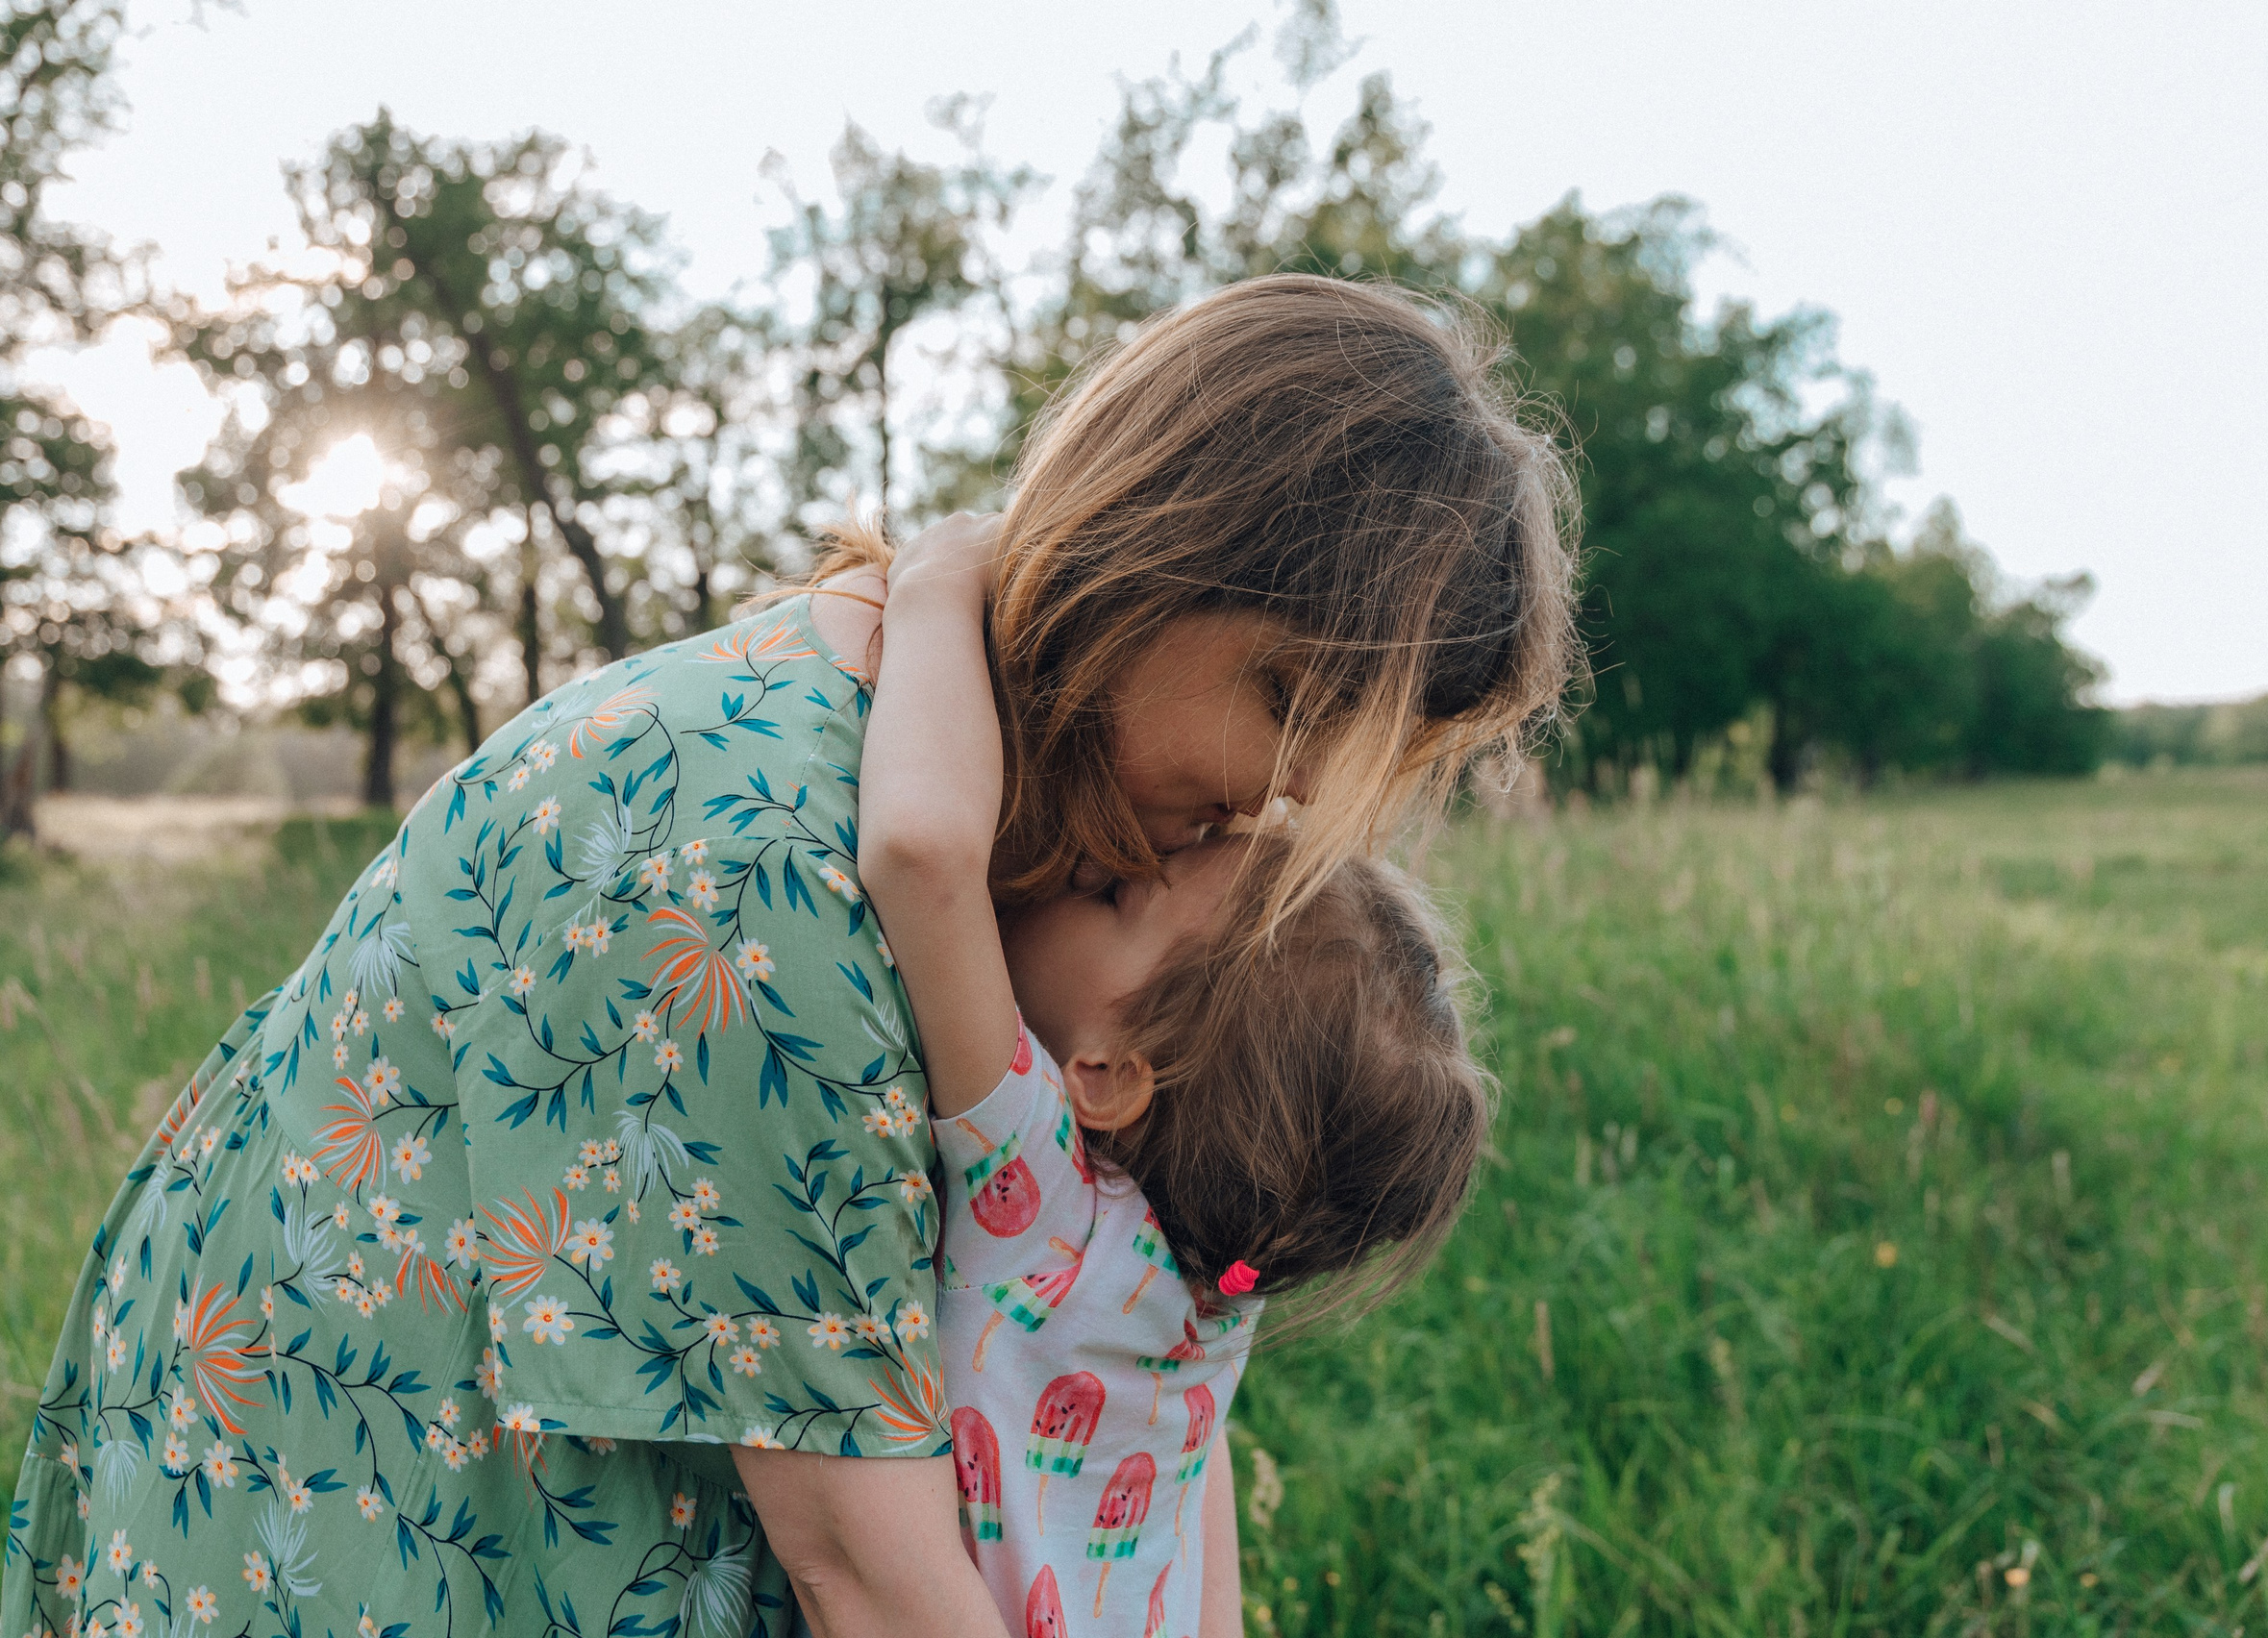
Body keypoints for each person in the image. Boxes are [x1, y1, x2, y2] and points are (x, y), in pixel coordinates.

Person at [2, 273, 1576, 1638]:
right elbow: (859, 1561)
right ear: (1166, 554)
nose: (1278, 800)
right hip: (360, 1526)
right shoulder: (760, 863)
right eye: (1292, 700)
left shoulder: (1008, 826)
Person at [856, 526, 1494, 1636]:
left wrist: (933, 585)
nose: (1078, 876)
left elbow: (921, 854)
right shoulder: (1219, 1289)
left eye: (1111, 895)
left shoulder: (1040, 1196)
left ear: (1106, 1076)